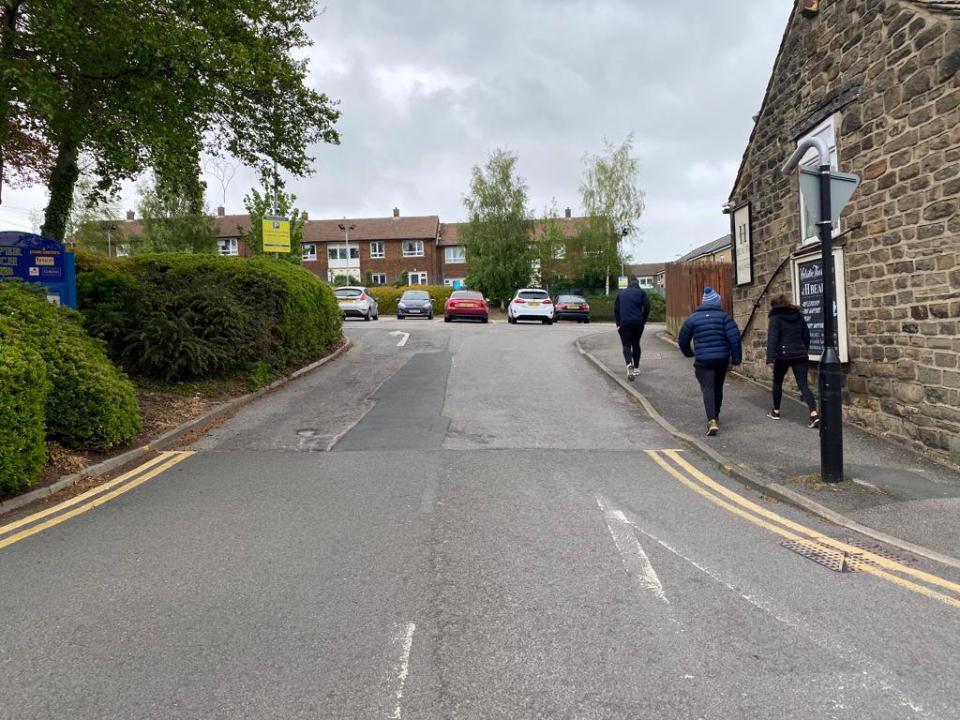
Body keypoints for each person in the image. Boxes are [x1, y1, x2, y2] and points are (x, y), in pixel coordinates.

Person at [677, 286, 742, 436]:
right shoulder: (725, 318)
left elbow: (683, 339)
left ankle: (712, 420)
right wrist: (736, 360)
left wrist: (688, 353)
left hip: (703, 361)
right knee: (718, 387)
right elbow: (734, 340)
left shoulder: (693, 318)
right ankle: (716, 415)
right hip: (721, 359)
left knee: (708, 388)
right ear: (717, 303)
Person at [765, 294, 819, 428]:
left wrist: (770, 358)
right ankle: (813, 414)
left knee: (777, 382)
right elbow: (806, 335)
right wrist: (803, 349)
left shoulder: (775, 318)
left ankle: (776, 411)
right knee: (803, 385)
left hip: (782, 356)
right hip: (800, 354)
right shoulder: (798, 316)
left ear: (774, 306)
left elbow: (772, 338)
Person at [614, 277, 651, 381]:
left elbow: (616, 309)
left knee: (626, 345)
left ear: (629, 284)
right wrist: (643, 320)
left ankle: (629, 364)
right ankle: (636, 368)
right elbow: (647, 306)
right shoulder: (641, 292)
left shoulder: (621, 294)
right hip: (638, 323)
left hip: (624, 323)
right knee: (636, 344)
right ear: (638, 283)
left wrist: (618, 323)